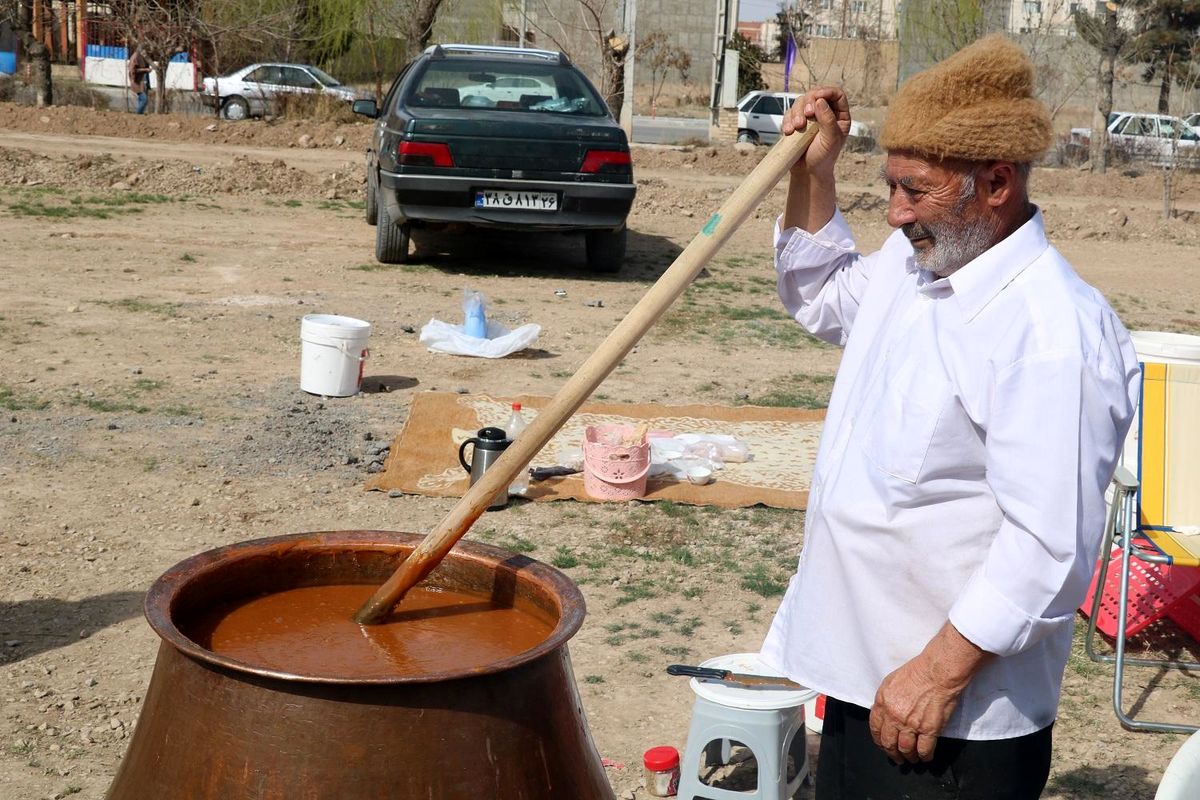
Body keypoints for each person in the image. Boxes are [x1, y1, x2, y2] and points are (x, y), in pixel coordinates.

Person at [758, 35, 1140, 799]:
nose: (895, 214)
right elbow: (823, 295)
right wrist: (815, 174)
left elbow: (1049, 547)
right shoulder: (922, 263)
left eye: (915, 189)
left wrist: (935, 676)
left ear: (995, 183)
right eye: (890, 186)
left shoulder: (1049, 331)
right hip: (865, 680)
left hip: (948, 725)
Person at [128, 45, 151, 114]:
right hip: (137, 82)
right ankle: (138, 114)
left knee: (141, 99)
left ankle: (139, 116)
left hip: (143, 81)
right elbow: (133, 70)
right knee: (144, 99)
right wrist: (145, 70)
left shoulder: (142, 57)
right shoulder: (135, 57)